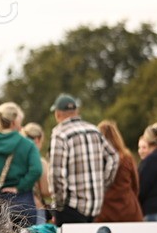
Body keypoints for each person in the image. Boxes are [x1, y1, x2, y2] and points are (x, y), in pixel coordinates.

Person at [48, 94, 119, 225]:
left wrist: (58, 207)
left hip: (71, 207)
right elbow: (113, 157)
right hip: (95, 206)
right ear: (76, 112)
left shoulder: (60, 134)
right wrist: (103, 184)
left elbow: (56, 174)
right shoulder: (94, 130)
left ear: (57, 114)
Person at [0, 102, 42, 228]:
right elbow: (36, 170)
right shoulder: (28, 144)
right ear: (14, 122)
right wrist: (20, 187)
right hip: (22, 206)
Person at [92, 121, 143, 222]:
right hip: (129, 210)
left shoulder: (96, 160)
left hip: (104, 212)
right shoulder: (127, 158)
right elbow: (136, 185)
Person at [21, 122, 54, 224]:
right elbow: (46, 190)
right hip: (36, 209)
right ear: (37, 140)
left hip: (13, 208)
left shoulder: (15, 161)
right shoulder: (40, 162)